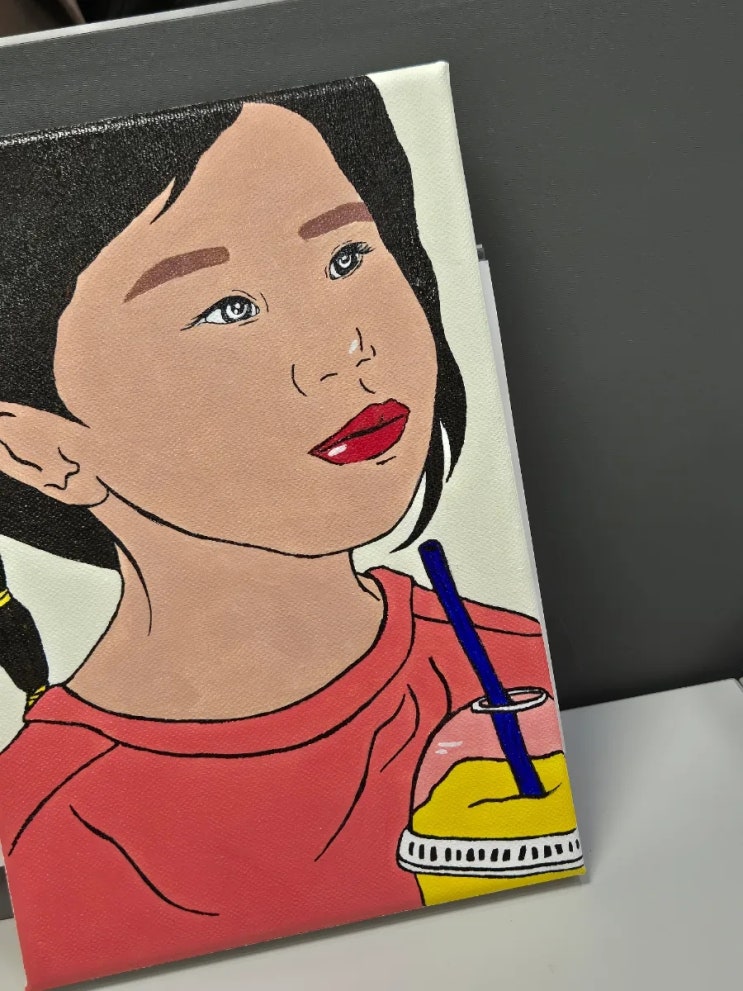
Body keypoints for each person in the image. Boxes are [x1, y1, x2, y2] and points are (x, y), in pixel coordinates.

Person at [0, 77, 565, 990]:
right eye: (227, 308)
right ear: (39, 449)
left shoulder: (509, 672)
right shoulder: (69, 811)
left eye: (346, 256)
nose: (343, 346)